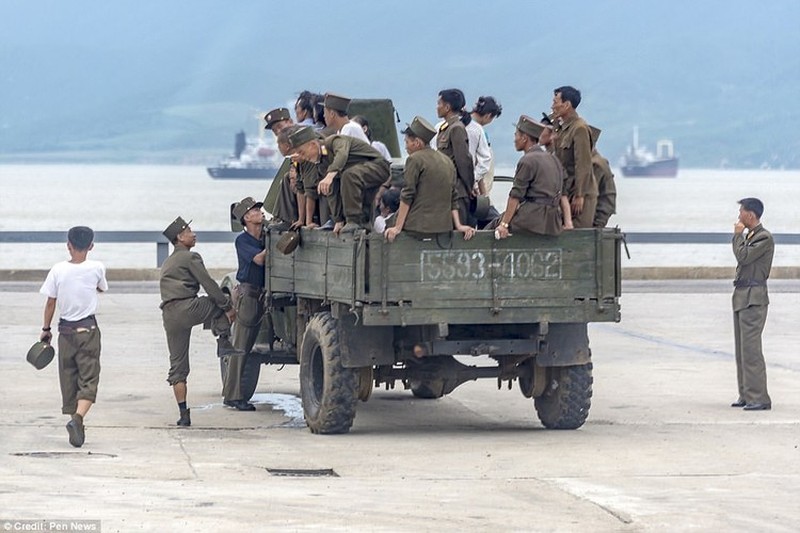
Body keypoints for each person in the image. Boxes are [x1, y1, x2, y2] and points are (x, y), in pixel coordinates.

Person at [159, 217, 242, 427]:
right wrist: (228, 308)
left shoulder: (168, 261)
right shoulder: (191, 257)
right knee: (221, 297)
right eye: (189, 231)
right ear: (180, 237)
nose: (194, 234)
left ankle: (183, 413)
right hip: (188, 307)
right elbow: (209, 284)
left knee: (177, 366)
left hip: (169, 314)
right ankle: (223, 340)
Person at [39, 226, 108, 448]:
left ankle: (74, 420)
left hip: (65, 333)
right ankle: (78, 419)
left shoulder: (58, 270)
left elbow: (51, 302)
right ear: (91, 246)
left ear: (68, 245)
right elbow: (101, 288)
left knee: (68, 377)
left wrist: (46, 329)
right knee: (89, 378)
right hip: (88, 331)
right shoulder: (97, 267)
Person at [385, 116, 475, 242]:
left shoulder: (414, 159)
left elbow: (407, 194)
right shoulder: (446, 161)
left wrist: (397, 227)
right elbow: (453, 197)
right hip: (444, 227)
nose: (406, 147)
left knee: (386, 224)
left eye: (407, 142)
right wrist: (459, 225)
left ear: (417, 142)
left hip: (418, 226)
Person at [288, 125, 391, 234]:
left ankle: (353, 221)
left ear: (313, 145)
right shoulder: (321, 163)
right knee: (362, 206)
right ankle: (361, 227)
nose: (302, 157)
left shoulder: (334, 141)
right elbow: (332, 192)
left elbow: (342, 154)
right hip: (361, 176)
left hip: (378, 167)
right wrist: (338, 220)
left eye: (302, 152)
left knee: (349, 175)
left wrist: (330, 175)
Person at [222, 197, 268, 412]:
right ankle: (233, 396)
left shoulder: (262, 237)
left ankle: (235, 395)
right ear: (246, 218)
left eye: (259, 209)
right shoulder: (243, 240)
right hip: (248, 297)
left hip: (259, 297)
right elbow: (259, 260)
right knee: (240, 348)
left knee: (246, 348)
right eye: (255, 210)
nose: (260, 212)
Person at [492, 116, 572, 239]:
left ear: (524, 139)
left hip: (532, 219)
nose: (515, 140)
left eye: (516, 135)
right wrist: (568, 222)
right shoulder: (554, 159)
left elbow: (515, 196)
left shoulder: (527, 160)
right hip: (553, 221)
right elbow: (563, 195)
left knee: (493, 225)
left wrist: (504, 224)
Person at [731, 197, 774, 411]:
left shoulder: (763, 237)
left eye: (741, 212)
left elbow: (744, 257)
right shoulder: (752, 236)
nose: (739, 216)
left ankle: (759, 397)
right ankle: (746, 394)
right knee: (741, 350)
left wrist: (737, 236)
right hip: (742, 296)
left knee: (751, 350)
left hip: (753, 298)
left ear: (750, 214)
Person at [551, 86, 598, 228]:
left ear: (566, 105)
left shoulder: (579, 129)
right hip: (566, 190)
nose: (552, 106)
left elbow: (583, 164)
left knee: (578, 232)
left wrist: (580, 195)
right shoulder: (563, 128)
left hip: (579, 193)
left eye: (555, 102)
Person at [435, 88, 475, 227]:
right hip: (445, 189)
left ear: (447, 107)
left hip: (457, 190)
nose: (437, 107)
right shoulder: (445, 128)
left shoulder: (456, 128)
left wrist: (469, 187)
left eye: (439, 103)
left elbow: (463, 160)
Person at [264, 107, 302, 230]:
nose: (279, 132)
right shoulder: (289, 145)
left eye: (280, 127)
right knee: (286, 179)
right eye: (275, 131)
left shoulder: (303, 136)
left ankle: (288, 218)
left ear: (290, 122)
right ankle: (285, 217)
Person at [469, 96, 503, 195]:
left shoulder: (465, 124)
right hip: (474, 185)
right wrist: (483, 194)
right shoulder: (476, 130)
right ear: (488, 116)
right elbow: (479, 164)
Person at [588, 125, 617, 228]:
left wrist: (597, 224)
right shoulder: (591, 161)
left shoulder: (596, 164)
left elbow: (589, 193)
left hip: (596, 218)